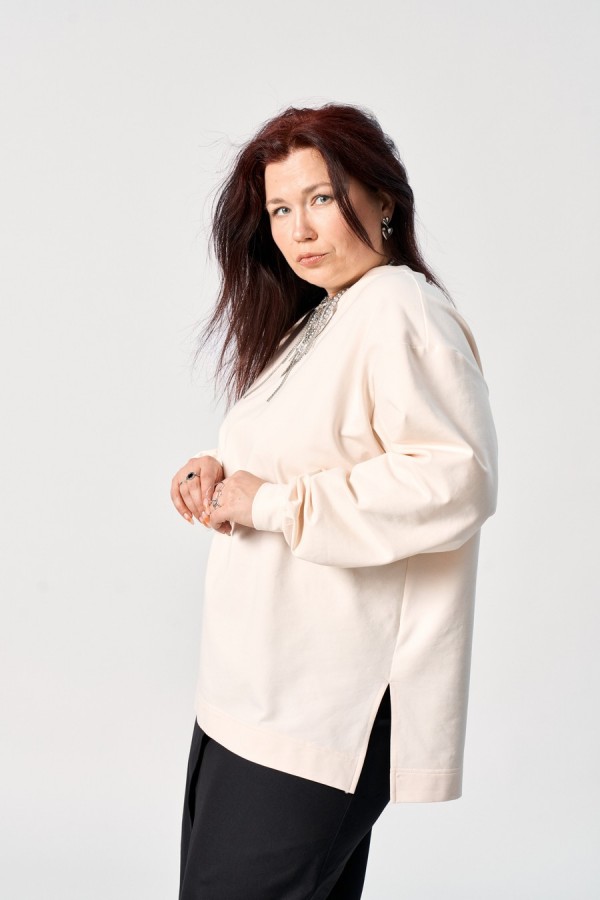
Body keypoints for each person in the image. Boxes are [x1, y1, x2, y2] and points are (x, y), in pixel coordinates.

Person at [170, 102, 498, 899]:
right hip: (253, 688)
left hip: (325, 705)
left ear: (383, 199)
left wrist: (274, 505)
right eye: (281, 209)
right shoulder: (324, 317)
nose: (300, 229)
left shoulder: (399, 306)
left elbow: (454, 478)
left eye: (321, 198)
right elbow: (317, 454)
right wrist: (221, 472)